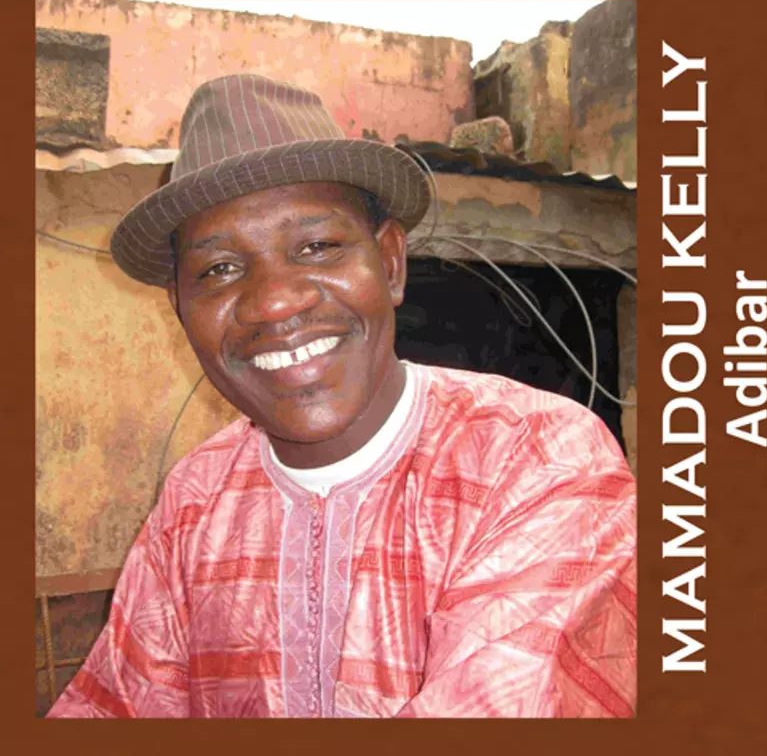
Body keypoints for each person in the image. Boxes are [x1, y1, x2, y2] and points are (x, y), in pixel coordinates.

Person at [48, 74, 636, 718]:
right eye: (219, 269)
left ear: (390, 263)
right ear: (180, 308)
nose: (274, 302)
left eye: (318, 247)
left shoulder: (536, 457)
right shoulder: (194, 500)